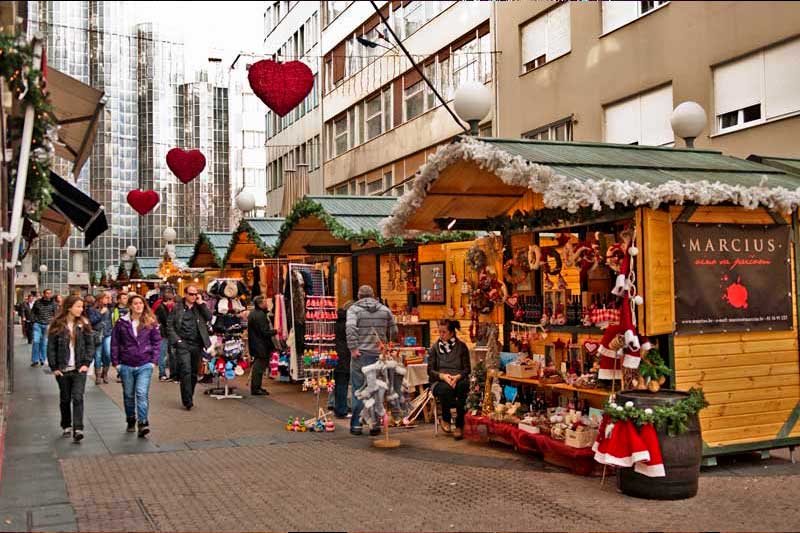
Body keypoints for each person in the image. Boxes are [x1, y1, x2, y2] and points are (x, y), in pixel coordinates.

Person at [346, 285, 398, 436]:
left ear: (359, 296)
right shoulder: (384, 309)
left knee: (358, 390)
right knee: (375, 391)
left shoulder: (353, 310)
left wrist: (353, 348)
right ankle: (374, 426)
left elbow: (350, 329)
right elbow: (394, 331)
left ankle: (356, 425)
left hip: (360, 355)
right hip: (378, 356)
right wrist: (387, 344)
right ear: (374, 295)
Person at [111, 294, 161, 437]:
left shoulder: (150, 322)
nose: (138, 306)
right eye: (135, 303)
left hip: (145, 363)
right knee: (128, 395)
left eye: (141, 303)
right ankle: (131, 419)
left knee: (141, 393)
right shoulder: (122, 323)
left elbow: (157, 342)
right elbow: (115, 343)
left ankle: (143, 422)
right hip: (126, 363)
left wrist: (153, 361)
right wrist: (116, 363)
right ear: (130, 306)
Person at [47, 295, 94, 442]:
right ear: (69, 307)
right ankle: (66, 424)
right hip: (62, 369)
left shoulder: (84, 324)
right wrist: (54, 367)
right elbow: (51, 347)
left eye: (82, 307)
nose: (81, 309)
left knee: (78, 397)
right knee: (65, 398)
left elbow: (90, 345)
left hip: (79, 368)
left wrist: (86, 363)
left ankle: (78, 428)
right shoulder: (57, 325)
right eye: (78, 306)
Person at [166, 284, 212, 410]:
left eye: (195, 294)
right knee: (185, 370)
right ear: (185, 294)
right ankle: (187, 401)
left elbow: (209, 317)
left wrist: (202, 303)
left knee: (193, 373)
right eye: (191, 294)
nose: (193, 296)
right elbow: (169, 325)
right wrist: (178, 341)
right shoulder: (177, 308)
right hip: (183, 344)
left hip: (197, 344)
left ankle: (189, 395)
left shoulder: (199, 307)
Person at [427, 319, 471, 440]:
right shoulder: (435, 348)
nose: (441, 334)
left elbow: (467, 369)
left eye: (444, 332)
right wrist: (443, 376)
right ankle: (446, 418)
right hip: (440, 380)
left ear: (452, 333)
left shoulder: (462, 347)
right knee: (446, 389)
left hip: (458, 378)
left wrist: (457, 377)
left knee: (463, 386)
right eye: (439, 332)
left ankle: (459, 425)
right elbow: (430, 371)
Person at [247, 295, 277, 396]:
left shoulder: (254, 313)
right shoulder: (260, 315)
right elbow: (264, 332)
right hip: (260, 345)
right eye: (265, 302)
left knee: (258, 366)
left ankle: (257, 387)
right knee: (259, 367)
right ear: (260, 304)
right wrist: (276, 331)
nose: (267, 303)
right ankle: (256, 388)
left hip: (256, 344)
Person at [333, 301, 353, 419]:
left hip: (335, 355)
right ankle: (342, 409)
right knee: (343, 384)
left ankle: (338, 407)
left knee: (338, 383)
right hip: (345, 355)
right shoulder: (348, 323)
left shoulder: (335, 321)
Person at [31, 289, 58, 367]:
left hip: (48, 325)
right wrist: (33, 320)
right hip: (38, 324)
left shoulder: (53, 304)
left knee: (44, 343)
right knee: (36, 341)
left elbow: (55, 314)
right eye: (46, 293)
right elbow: (33, 312)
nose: (48, 295)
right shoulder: (38, 302)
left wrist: (53, 323)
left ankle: (42, 359)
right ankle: (35, 360)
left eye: (49, 293)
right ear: (43, 294)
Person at [154, 288, 176, 381]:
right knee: (163, 354)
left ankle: (168, 373)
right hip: (164, 334)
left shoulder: (163, 307)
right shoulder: (162, 308)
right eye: (171, 301)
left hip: (166, 333)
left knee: (167, 354)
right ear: (168, 300)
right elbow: (167, 321)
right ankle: (162, 373)